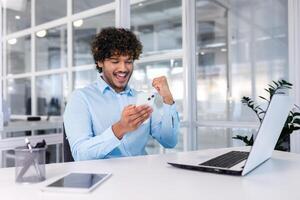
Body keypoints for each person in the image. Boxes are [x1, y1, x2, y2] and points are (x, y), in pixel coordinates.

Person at [63, 27, 179, 161]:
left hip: (142, 175)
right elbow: (80, 154)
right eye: (115, 61)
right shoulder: (80, 98)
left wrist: (167, 100)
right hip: (104, 178)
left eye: (128, 61)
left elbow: (169, 142)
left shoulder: (143, 99)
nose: (123, 68)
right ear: (100, 62)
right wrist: (120, 128)